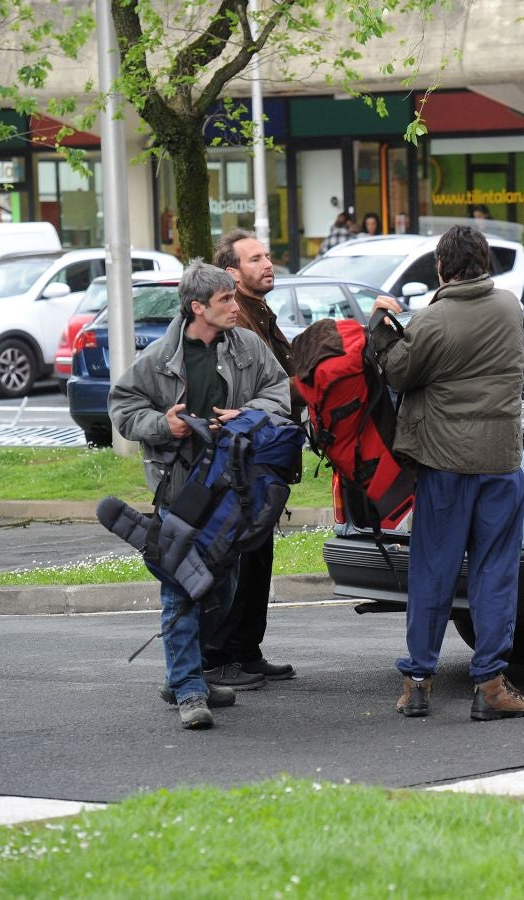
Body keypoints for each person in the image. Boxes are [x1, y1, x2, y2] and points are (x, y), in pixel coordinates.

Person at [369, 225, 524, 722]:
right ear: (484, 262)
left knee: (433, 574)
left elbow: (398, 371)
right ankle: (490, 685)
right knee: (495, 575)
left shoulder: (433, 319)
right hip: (501, 463)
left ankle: (418, 682)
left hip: (444, 465)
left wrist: (383, 322)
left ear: (442, 267)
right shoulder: (511, 307)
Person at [108, 260, 291, 730]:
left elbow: (280, 390)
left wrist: (247, 414)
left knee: (222, 588)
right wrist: (162, 425)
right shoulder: (159, 358)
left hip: (234, 490)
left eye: (233, 296)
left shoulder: (248, 346)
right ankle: (190, 689)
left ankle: (180, 676)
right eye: (226, 300)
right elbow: (123, 406)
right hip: (181, 491)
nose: (235, 306)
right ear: (197, 307)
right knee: (181, 588)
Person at [208, 228, 303, 689]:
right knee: (238, 556)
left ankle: (246, 650)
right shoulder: (235, 322)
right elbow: (275, 387)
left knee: (257, 555)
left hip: (262, 457)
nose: (268, 264)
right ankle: (221, 655)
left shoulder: (259, 313)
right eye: (255, 259)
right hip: (241, 461)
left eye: (268, 255)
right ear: (231, 272)